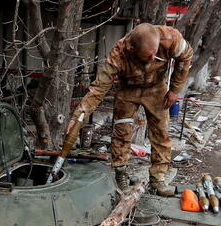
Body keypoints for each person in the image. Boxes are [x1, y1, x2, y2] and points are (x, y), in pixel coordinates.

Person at [65, 22, 194, 197]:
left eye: (155, 54)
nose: (152, 58)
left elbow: (186, 56)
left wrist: (175, 89)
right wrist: (78, 116)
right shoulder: (118, 55)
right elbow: (98, 89)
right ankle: (121, 174)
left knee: (161, 133)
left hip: (157, 89)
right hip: (128, 90)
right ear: (133, 48)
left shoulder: (171, 38)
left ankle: (158, 178)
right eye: (148, 56)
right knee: (121, 132)